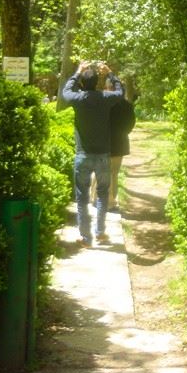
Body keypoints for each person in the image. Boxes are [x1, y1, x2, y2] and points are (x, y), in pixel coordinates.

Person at [62, 60, 124, 247]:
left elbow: (66, 91)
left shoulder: (78, 99)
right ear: (97, 82)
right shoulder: (105, 98)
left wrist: (77, 72)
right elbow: (121, 92)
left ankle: (85, 237)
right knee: (103, 194)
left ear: (83, 81)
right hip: (103, 155)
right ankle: (100, 232)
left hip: (83, 155)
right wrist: (110, 74)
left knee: (81, 197)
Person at [90, 78, 135, 212]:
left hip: (102, 143)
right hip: (119, 143)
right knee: (113, 174)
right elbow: (130, 125)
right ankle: (110, 202)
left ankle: (96, 199)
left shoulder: (101, 103)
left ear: (108, 88)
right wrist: (121, 134)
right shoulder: (126, 105)